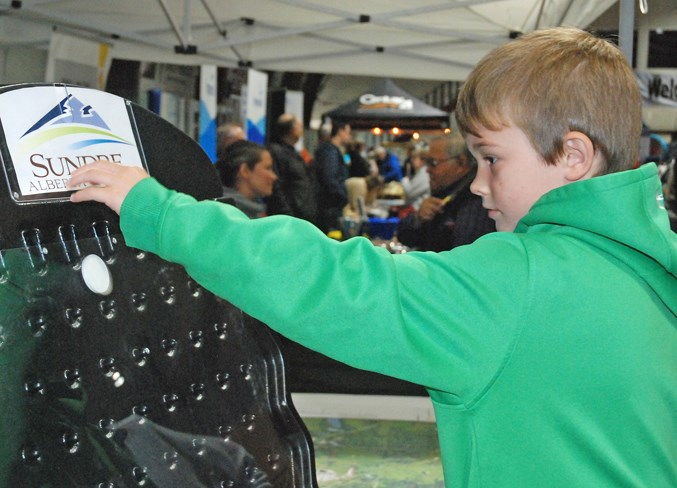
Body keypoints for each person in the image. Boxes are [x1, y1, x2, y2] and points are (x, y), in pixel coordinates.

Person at [68, 27, 676, 487]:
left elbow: (334, 281)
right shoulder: (651, 273)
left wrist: (162, 214)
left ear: (573, 156)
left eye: (491, 159)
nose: (480, 185)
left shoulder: (521, 281)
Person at [396, 134, 495, 251]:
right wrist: (418, 218)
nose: (427, 170)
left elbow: (461, 251)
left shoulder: (475, 200)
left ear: (461, 163)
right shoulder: (446, 194)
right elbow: (405, 236)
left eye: (433, 163)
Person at [266, 114, 318, 225]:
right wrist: (287, 214)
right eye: (300, 127)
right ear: (293, 130)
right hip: (290, 218)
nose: (301, 130)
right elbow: (277, 186)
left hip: (302, 216)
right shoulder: (277, 152)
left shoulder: (293, 152)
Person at [214, 140, 277, 219]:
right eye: (268, 168)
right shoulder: (229, 217)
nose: (274, 177)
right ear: (245, 171)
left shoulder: (254, 211)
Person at [313, 121, 352, 232]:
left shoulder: (330, 150)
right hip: (329, 208)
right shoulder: (330, 152)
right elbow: (329, 178)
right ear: (340, 131)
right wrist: (343, 197)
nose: (349, 136)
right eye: (348, 132)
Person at [399, 147, 430, 211]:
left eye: (414, 158)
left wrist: (405, 180)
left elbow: (410, 193)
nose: (411, 161)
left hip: (418, 209)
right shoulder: (420, 172)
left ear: (422, 160)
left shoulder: (424, 173)